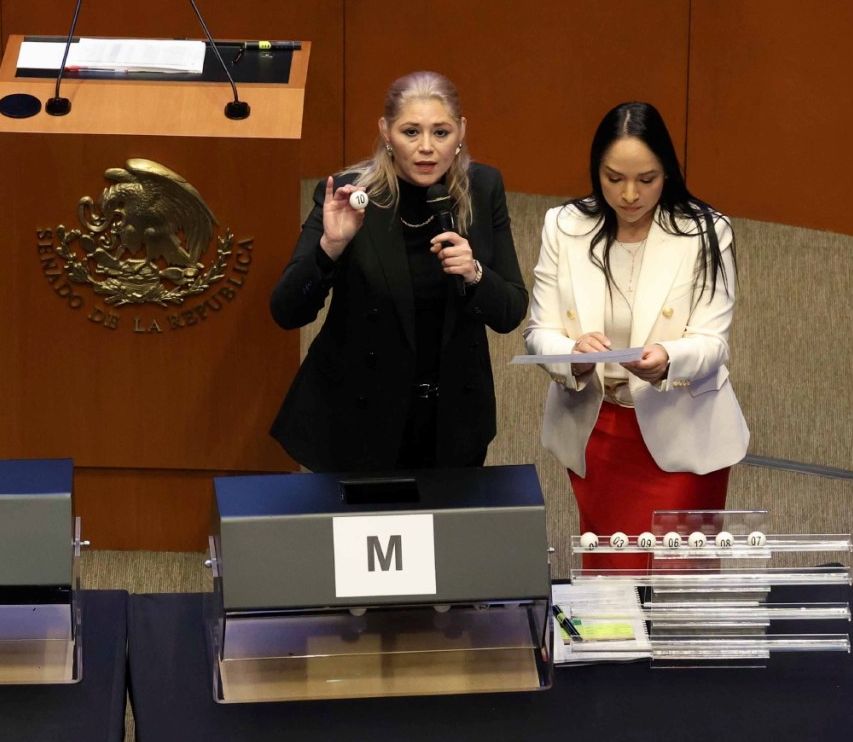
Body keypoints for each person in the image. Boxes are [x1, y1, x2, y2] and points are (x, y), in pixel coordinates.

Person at [270, 71, 528, 472]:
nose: (426, 148)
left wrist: (476, 273)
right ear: (386, 132)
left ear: (461, 131)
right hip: (358, 420)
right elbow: (286, 311)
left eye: (440, 133)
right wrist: (330, 248)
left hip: (451, 423)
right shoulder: (348, 195)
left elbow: (511, 310)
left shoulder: (483, 188)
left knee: (445, 535)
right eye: (411, 132)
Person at [523, 101, 749, 542]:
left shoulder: (706, 230)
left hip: (683, 427)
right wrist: (572, 355)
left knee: (676, 581)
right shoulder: (565, 225)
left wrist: (668, 358)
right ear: (596, 171)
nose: (630, 195)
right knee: (611, 579)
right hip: (597, 429)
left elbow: (713, 342)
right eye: (614, 179)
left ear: (667, 172)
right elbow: (537, 331)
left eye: (646, 180)